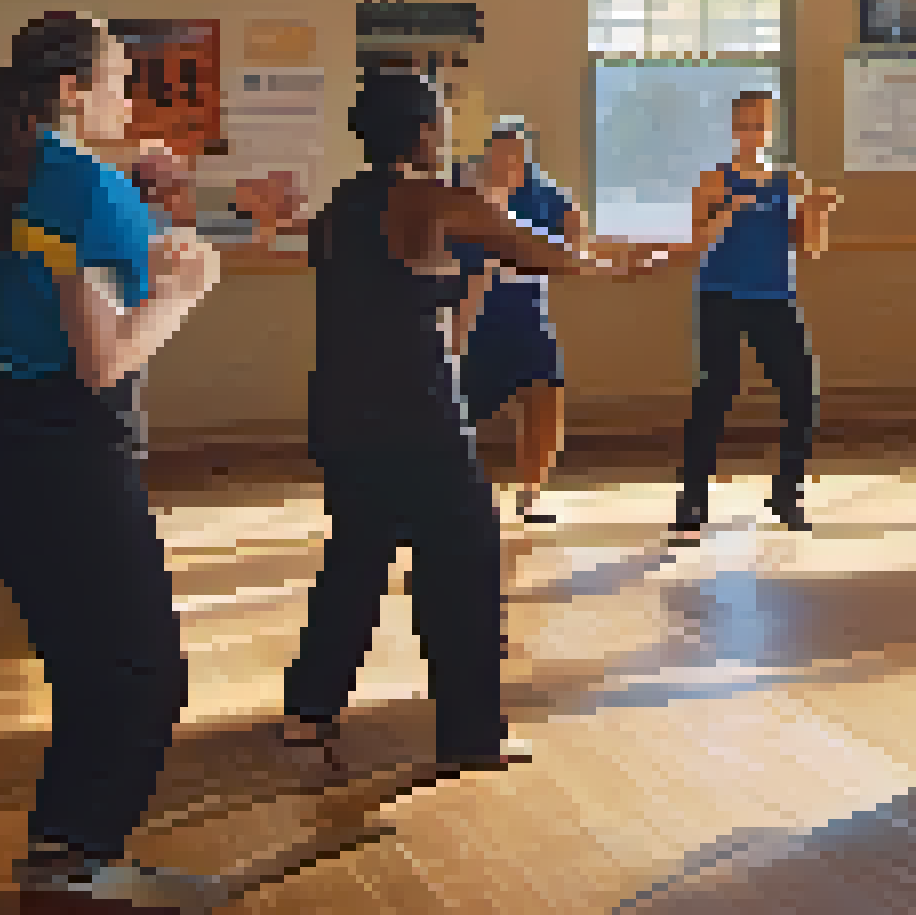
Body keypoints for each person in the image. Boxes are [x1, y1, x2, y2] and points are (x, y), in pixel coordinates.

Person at [280, 71, 673, 774]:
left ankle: (309, 712)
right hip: (415, 415)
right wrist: (613, 269)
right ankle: (470, 734)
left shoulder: (343, 204)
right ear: (425, 130)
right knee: (461, 570)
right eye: (441, 124)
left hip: (341, 410)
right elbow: (530, 244)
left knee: (356, 558)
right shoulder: (428, 196)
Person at [0, 13, 227, 902]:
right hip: (71, 456)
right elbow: (105, 358)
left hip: (8, 450)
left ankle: (63, 858)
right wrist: (189, 291)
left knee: (88, 673)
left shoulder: (25, 168)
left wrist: (145, 225)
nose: (132, 98)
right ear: (74, 92)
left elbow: (66, 282)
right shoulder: (92, 184)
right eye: (120, 80)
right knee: (148, 675)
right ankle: (84, 864)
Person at [671, 91, 843, 545]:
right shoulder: (714, 180)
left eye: (761, 125)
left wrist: (817, 210)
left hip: (773, 297)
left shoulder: (789, 182)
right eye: (745, 125)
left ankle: (787, 494)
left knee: (802, 391)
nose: (753, 134)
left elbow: (812, 247)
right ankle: (691, 502)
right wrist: (728, 210)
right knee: (715, 394)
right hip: (721, 296)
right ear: (734, 129)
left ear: (771, 130)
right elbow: (696, 243)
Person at [450, 123, 588, 524]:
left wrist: (570, 252)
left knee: (546, 393)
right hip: (473, 313)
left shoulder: (541, 192)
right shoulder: (464, 186)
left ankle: (531, 494)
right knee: (458, 408)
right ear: (489, 155)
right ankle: (449, 495)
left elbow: (573, 225)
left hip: (527, 313)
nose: (508, 163)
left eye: (517, 156)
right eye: (501, 155)